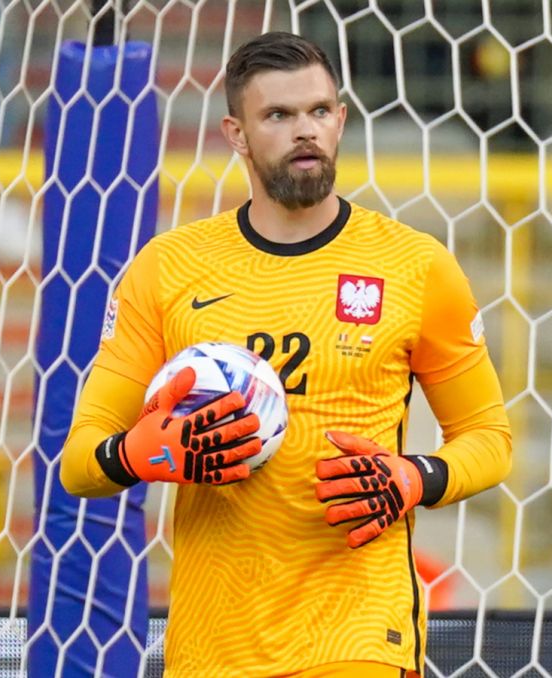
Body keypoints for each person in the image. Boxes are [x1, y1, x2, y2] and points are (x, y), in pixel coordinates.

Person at [59, 31, 512, 678]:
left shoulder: (416, 267)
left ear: (341, 120)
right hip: (214, 644)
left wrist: (415, 478)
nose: (306, 131)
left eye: (320, 112)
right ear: (236, 133)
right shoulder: (167, 269)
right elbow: (79, 462)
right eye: (278, 115)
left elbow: (489, 439)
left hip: (358, 631)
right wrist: (137, 452)